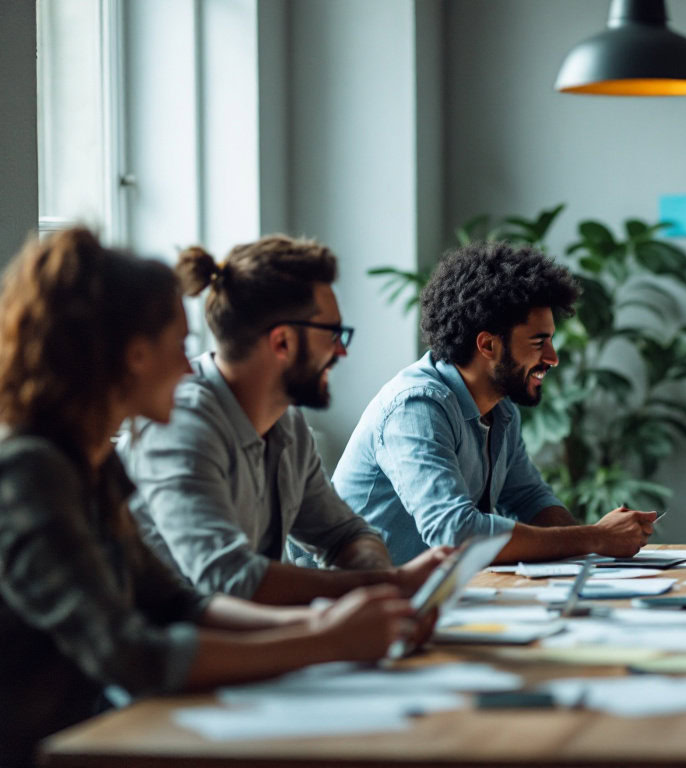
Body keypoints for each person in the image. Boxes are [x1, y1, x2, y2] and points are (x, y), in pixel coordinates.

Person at [0, 230, 425, 767]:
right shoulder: (29, 472)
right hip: (54, 747)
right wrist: (328, 641)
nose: (188, 366)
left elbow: (177, 605)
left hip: (110, 733)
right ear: (133, 356)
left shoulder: (92, 466)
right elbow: (130, 654)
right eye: (178, 346)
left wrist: (328, 625)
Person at [118, 235, 448, 604]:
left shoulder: (287, 423)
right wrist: (388, 583)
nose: (341, 350)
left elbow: (345, 534)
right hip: (187, 653)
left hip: (255, 643)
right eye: (334, 334)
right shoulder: (180, 425)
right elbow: (229, 579)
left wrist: (377, 578)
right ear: (282, 342)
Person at [334, 241, 656, 564]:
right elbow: (455, 533)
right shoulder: (416, 408)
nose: (553, 358)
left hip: (429, 596)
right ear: (488, 345)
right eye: (538, 342)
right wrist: (596, 537)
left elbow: (531, 500)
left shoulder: (501, 410)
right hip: (348, 602)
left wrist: (593, 546)